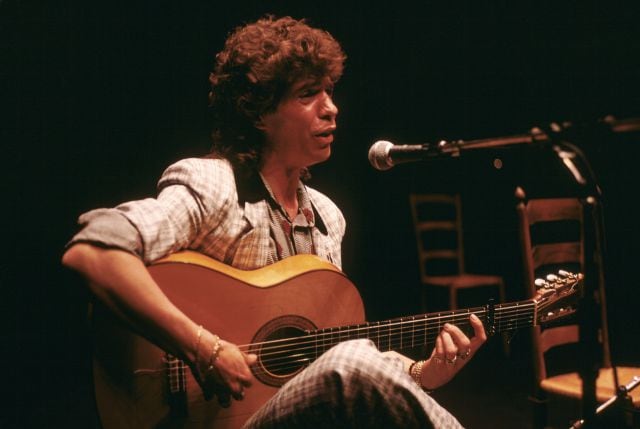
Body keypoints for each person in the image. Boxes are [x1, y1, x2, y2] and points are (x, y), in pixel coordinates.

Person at [62, 15, 486, 428]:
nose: (332, 109)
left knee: (349, 362)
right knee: (349, 363)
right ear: (259, 112)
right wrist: (202, 348)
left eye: (330, 91)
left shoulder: (326, 217)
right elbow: (92, 253)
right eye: (308, 94)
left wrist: (420, 374)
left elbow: (330, 354)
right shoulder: (215, 185)